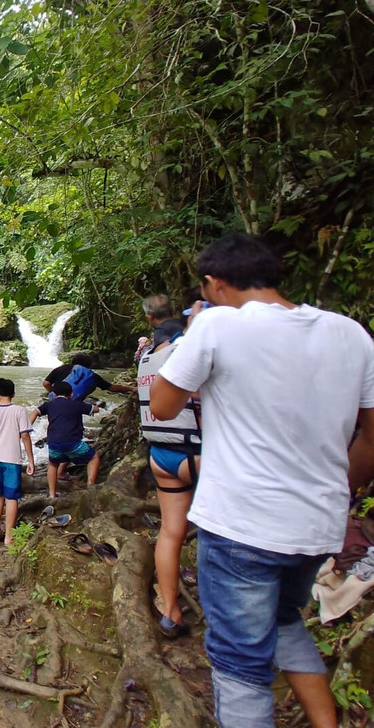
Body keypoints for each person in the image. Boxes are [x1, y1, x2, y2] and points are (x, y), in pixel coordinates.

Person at [149, 232, 374, 728]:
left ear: (213, 284)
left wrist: (196, 329)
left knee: (239, 664)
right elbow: (370, 439)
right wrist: (337, 492)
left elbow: (163, 407)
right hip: (317, 525)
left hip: (241, 526)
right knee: (284, 619)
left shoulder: (217, 328)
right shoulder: (351, 333)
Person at [137, 306, 202, 639]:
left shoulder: (146, 359)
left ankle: (170, 611)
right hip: (199, 453)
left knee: (170, 531)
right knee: (217, 529)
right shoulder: (186, 351)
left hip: (161, 455)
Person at [0, 378, 35, 544]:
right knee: (11, 498)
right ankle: (9, 536)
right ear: (13, 393)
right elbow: (25, 436)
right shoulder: (19, 411)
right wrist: (31, 460)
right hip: (12, 460)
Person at [29, 380, 101, 499]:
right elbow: (95, 410)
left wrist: (27, 427)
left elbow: (35, 412)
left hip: (54, 444)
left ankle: (52, 495)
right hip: (73, 443)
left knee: (52, 464)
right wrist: (96, 405)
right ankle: (91, 485)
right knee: (94, 457)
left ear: (54, 394)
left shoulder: (49, 404)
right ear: (71, 394)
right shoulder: (76, 404)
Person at [42, 353, 135, 400]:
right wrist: (131, 388)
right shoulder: (91, 375)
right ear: (88, 365)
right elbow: (111, 387)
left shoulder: (60, 368)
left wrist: (54, 392)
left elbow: (46, 383)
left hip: (55, 401)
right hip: (74, 404)